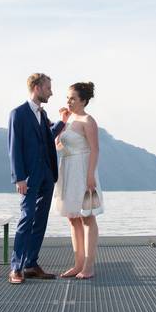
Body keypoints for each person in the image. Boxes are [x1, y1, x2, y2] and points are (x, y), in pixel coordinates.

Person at [7, 73, 67, 284]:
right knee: (27, 217)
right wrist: (19, 178)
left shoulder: (43, 114)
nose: (51, 92)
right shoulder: (18, 114)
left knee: (40, 220)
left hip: (46, 175)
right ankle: (16, 267)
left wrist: (61, 123)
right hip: (29, 177)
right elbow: (14, 148)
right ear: (37, 87)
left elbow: (47, 139)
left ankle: (31, 264)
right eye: (48, 88)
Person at [53, 81, 103, 279]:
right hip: (67, 168)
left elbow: (95, 149)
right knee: (72, 218)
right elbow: (58, 146)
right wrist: (62, 121)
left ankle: (89, 267)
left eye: (73, 98)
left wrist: (90, 175)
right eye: (67, 98)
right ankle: (78, 264)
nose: (69, 101)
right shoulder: (69, 119)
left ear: (83, 100)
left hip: (83, 169)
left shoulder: (88, 121)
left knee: (87, 217)